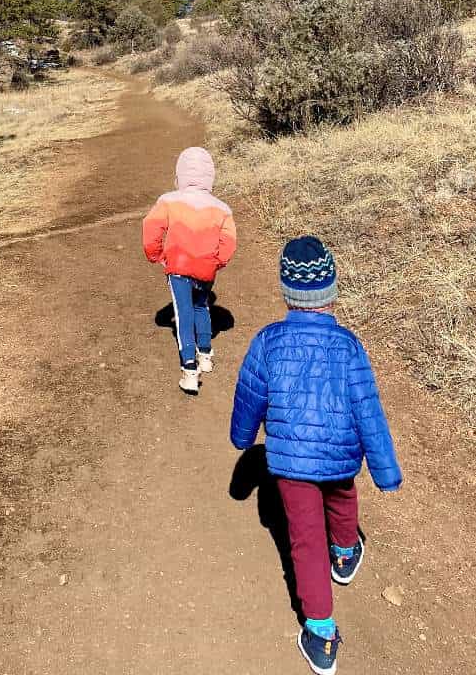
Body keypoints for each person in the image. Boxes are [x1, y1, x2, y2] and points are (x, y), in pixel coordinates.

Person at [230, 236, 402, 674]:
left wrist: (242, 437)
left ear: (287, 292)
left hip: (290, 464)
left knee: (305, 539)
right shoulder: (348, 347)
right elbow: (368, 410)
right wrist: (385, 472)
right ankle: (345, 553)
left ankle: (322, 633)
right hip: (340, 457)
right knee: (344, 500)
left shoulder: (267, 341)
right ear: (333, 289)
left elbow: (251, 395)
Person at [142, 146, 237, 394]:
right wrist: (217, 262)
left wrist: (155, 255)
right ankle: (205, 353)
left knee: (183, 313)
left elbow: (151, 228)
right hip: (206, 268)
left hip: (178, 266)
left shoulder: (168, 201)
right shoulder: (222, 208)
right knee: (201, 306)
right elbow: (229, 243)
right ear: (210, 176)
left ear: (180, 174)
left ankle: (189, 368)